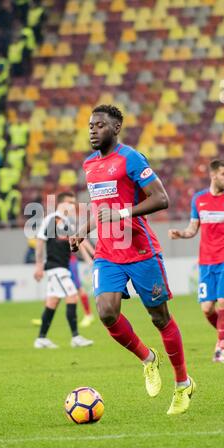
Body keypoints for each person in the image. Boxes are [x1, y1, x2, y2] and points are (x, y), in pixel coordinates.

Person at [70, 104, 195, 415]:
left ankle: (183, 384)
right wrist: (82, 230)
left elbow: (162, 198)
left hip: (140, 250)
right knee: (106, 312)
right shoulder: (89, 165)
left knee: (160, 318)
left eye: (99, 125)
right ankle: (148, 359)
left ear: (116, 129)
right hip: (108, 252)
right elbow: (101, 206)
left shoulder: (131, 158)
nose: (92, 130)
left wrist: (122, 213)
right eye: (90, 125)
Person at [169, 159, 224, 363]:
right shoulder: (199, 199)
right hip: (206, 261)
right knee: (207, 309)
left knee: (223, 301)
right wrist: (181, 234)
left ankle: (221, 348)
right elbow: (193, 229)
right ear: (213, 175)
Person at [33, 192, 93, 349]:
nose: (72, 206)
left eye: (73, 203)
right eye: (69, 202)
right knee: (72, 296)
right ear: (60, 204)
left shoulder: (68, 222)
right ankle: (76, 337)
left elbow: (79, 242)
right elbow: (40, 241)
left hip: (62, 267)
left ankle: (41, 339)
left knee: (52, 302)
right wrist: (38, 265)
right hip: (56, 267)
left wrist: (89, 260)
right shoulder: (52, 219)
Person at [69, 238, 95, 328]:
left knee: (78, 287)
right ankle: (45, 317)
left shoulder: (67, 226)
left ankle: (88, 314)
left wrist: (90, 255)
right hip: (58, 261)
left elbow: (81, 239)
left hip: (69, 260)